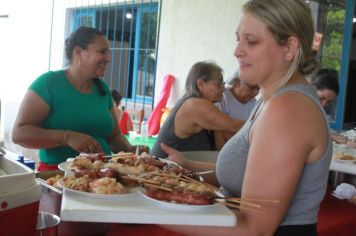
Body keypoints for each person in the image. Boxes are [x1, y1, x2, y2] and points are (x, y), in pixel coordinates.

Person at [159, 0, 332, 235]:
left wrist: (144, 210)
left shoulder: (289, 109)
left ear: (289, 47)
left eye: (251, 41)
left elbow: (254, 229)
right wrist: (187, 167)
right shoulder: (270, 100)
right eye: (238, 38)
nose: (237, 50)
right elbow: (245, 176)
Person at [12, 26, 136, 171]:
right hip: (58, 177)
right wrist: (67, 137)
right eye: (102, 52)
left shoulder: (102, 89)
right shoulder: (49, 84)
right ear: (78, 53)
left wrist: (132, 151)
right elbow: (19, 134)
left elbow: (113, 137)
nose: (108, 58)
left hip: (104, 179)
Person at [151, 61, 245, 158]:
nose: (223, 88)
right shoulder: (195, 106)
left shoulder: (205, 107)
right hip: (159, 168)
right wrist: (260, 123)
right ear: (201, 84)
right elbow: (234, 126)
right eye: (218, 83)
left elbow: (222, 145)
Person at [215, 69, 259, 147]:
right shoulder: (222, 97)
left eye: (258, 89)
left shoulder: (253, 103)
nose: (255, 93)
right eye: (252, 88)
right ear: (237, 83)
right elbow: (218, 130)